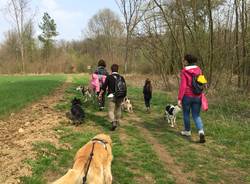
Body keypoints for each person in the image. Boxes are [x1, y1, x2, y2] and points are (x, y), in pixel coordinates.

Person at [178, 54, 206, 143]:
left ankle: (187, 131)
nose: (184, 61)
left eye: (184, 60)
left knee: (186, 114)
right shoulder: (199, 70)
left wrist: (179, 98)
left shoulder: (184, 71)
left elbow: (183, 86)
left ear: (187, 61)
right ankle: (201, 132)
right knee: (196, 115)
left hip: (187, 96)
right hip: (197, 96)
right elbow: (202, 82)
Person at [98, 64, 126, 131]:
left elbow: (104, 87)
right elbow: (124, 87)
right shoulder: (121, 77)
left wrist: (100, 94)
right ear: (117, 69)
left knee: (111, 111)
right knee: (118, 109)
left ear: (111, 69)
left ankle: (113, 122)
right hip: (120, 96)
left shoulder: (109, 77)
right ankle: (117, 121)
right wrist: (124, 96)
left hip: (112, 96)